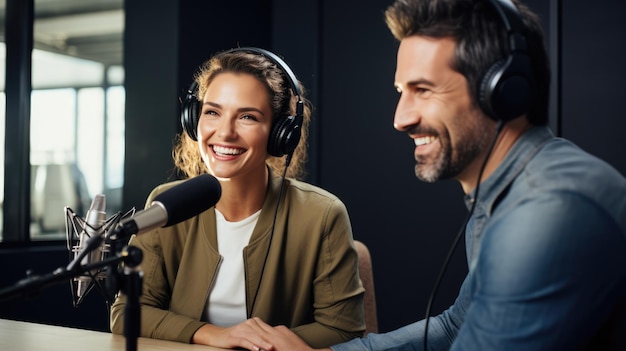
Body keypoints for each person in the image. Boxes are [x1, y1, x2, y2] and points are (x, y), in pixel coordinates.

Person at [252, 0, 626, 350]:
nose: (401, 119)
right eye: (401, 91)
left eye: (424, 90)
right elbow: (454, 326)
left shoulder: (548, 212)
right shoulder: (507, 194)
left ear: (500, 91)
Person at [109, 47, 365, 350]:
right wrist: (219, 336)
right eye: (213, 112)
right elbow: (127, 315)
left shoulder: (321, 215)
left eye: (247, 117)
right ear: (194, 120)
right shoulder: (166, 207)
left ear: (280, 133)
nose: (225, 132)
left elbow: (344, 331)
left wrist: (258, 344)